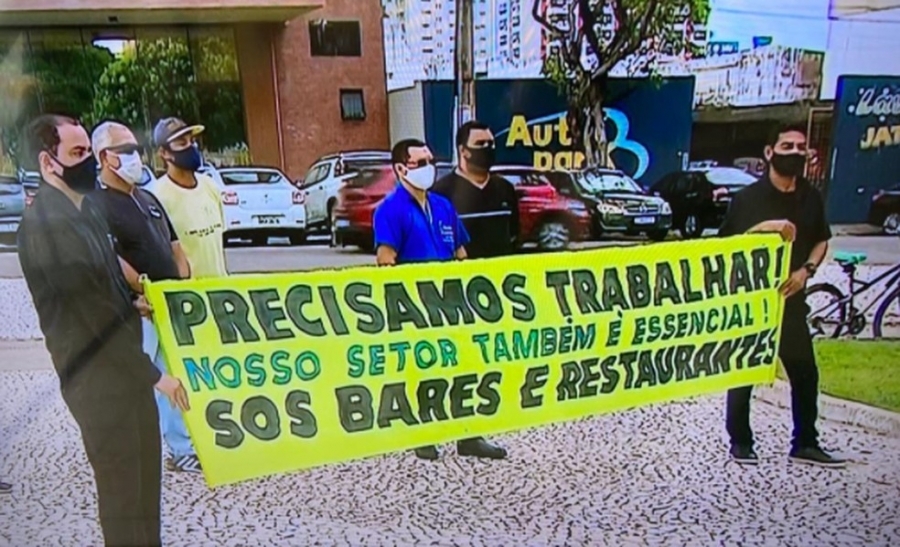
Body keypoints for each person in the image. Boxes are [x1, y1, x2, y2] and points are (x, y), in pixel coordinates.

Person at [17, 114, 189, 546]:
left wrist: (133, 303)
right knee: (123, 495)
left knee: (146, 486)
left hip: (126, 372)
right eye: (77, 153)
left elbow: (106, 283)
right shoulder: (47, 226)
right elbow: (90, 316)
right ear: (48, 162)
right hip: (96, 381)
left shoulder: (87, 210)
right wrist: (157, 376)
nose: (88, 163)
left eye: (88, 153)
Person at [719, 122, 845, 468]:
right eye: (787, 146)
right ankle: (741, 442)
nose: (795, 153)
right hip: (752, 304)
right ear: (769, 152)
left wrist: (807, 270)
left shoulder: (811, 197)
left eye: (801, 147)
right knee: (745, 373)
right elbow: (727, 247)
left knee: (805, 373)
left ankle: (805, 442)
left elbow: (821, 239)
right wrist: (768, 227)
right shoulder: (748, 199)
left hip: (791, 303)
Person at [373, 138, 507, 461]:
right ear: (401, 169)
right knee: (424, 372)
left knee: (464, 368)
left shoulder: (444, 207)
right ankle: (425, 434)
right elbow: (386, 262)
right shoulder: (390, 210)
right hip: (417, 308)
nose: (429, 168)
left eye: (431, 160)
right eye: (421, 163)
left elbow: (461, 253)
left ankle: (468, 435)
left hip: (452, 305)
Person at [87, 121, 200, 474]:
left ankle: (181, 448)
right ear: (105, 158)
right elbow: (109, 258)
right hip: (139, 310)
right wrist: (143, 290)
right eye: (126, 151)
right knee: (135, 380)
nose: (135, 157)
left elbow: (173, 243)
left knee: (172, 377)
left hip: (169, 306)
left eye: (136, 149)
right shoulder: (96, 204)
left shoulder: (147, 198)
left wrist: (181, 281)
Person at [149, 117, 227, 279]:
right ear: (164, 153)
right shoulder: (157, 197)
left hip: (220, 289)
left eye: (192, 141)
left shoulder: (210, 186)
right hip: (188, 292)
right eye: (182, 143)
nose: (191, 147)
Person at [433, 120, 519, 259]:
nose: (488, 148)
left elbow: (514, 235)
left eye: (491, 143)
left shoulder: (505, 188)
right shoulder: (441, 192)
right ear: (463, 150)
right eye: (480, 144)